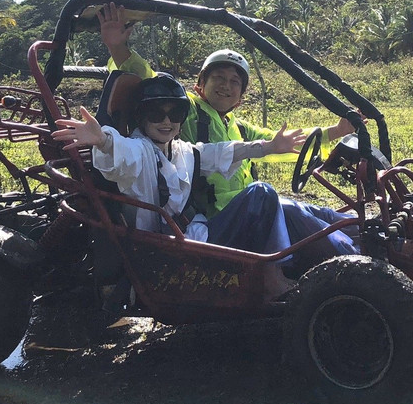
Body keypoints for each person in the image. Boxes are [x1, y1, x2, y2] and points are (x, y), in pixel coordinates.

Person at [52, 74, 357, 289]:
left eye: (175, 113)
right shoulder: (139, 150)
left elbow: (221, 152)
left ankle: (356, 233)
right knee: (262, 193)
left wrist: (268, 147)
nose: (166, 121)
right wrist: (103, 140)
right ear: (141, 117)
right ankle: (273, 275)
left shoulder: (180, 150)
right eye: (156, 113)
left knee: (295, 207)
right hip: (170, 251)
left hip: (194, 235)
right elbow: (119, 154)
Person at [97, 1, 359, 217]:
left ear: (240, 97)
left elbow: (284, 141)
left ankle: (358, 238)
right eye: (219, 78)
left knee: (317, 214)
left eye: (235, 82)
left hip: (248, 210)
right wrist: (117, 47)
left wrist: (338, 130)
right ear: (200, 86)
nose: (226, 86)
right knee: (271, 198)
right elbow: (153, 84)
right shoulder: (185, 110)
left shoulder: (238, 127)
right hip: (215, 217)